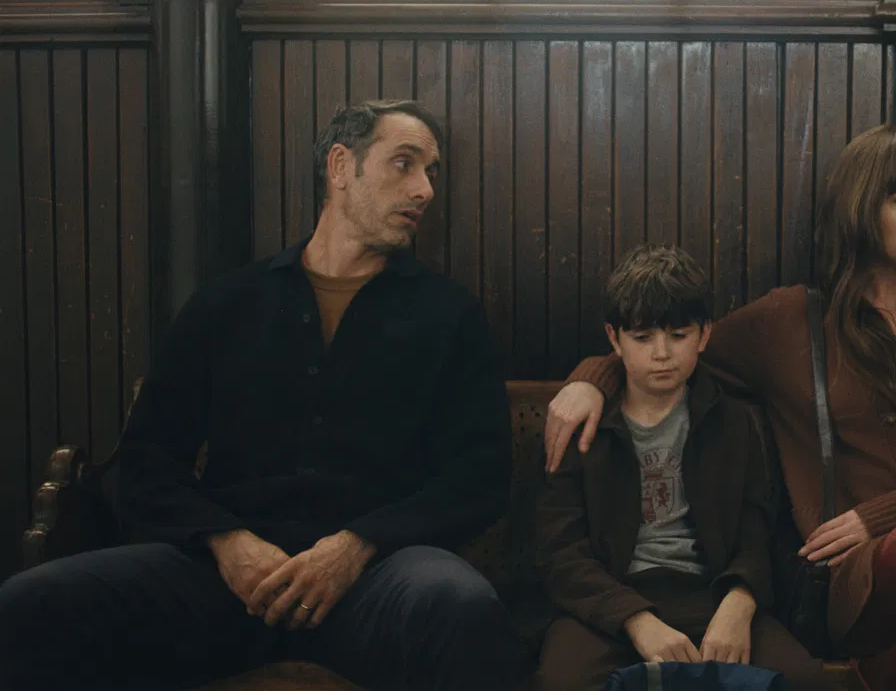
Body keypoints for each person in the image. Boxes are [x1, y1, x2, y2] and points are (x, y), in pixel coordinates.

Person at [542, 125, 896, 689]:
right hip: (859, 577)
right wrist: (595, 379)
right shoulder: (790, 323)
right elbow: (674, 349)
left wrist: (879, 515)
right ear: (860, 209)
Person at [0, 100, 518, 691]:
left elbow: (479, 476)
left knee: (461, 605)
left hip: (379, 576)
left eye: (432, 171)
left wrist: (357, 546)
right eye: (405, 164)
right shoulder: (227, 305)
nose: (425, 189)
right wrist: (227, 543)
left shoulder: (450, 316)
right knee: (31, 603)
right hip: (224, 577)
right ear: (341, 166)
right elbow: (146, 460)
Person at [536, 244, 831, 691]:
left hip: (710, 593)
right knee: (562, 681)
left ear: (704, 335)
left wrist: (740, 601)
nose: (662, 353)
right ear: (614, 339)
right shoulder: (583, 425)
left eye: (678, 335)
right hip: (610, 599)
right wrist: (635, 618)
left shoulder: (732, 422)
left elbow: (755, 529)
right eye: (642, 338)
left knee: (802, 679)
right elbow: (560, 552)